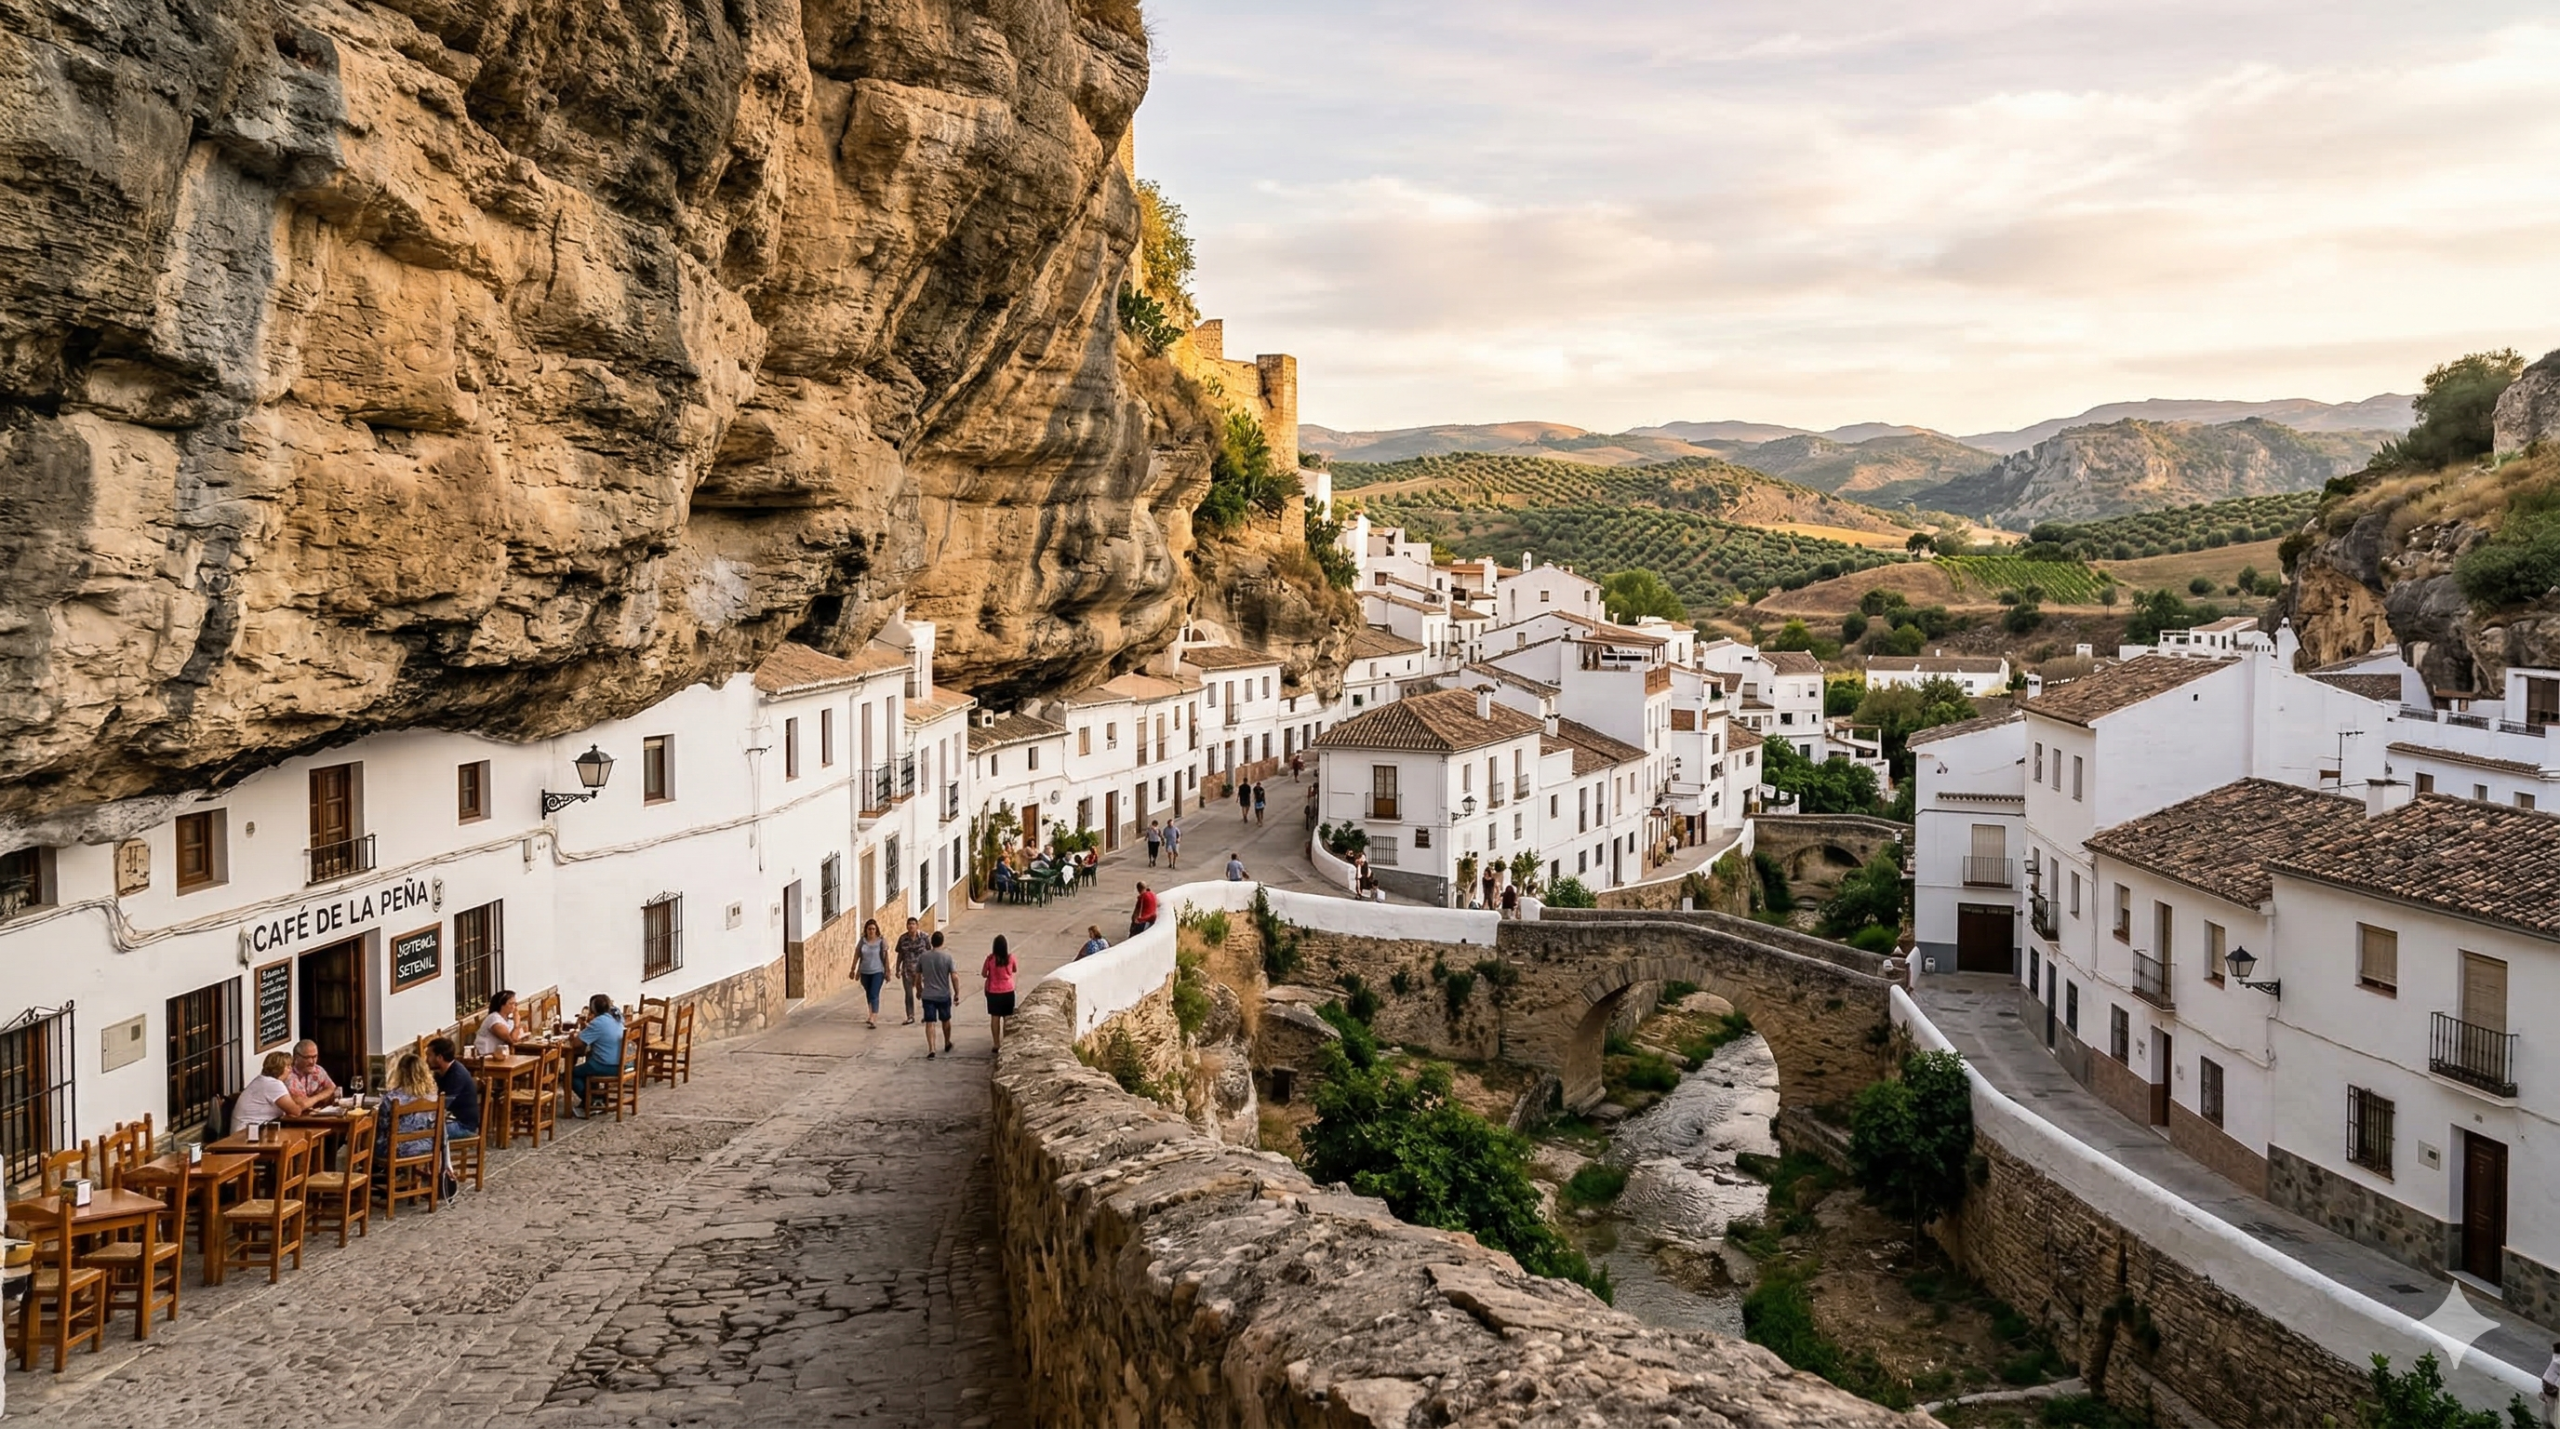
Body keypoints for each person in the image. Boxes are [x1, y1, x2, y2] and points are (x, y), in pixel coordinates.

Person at [373, 1051, 449, 1193]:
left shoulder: (392, 1098)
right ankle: (409, 1181)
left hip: (397, 1149)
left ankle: (363, 1184)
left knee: (367, 1142)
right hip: (426, 1145)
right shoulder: (433, 1095)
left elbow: (383, 1126)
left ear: (401, 1073)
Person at [567, 994, 624, 1115]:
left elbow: (577, 1043)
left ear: (593, 1010)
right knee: (587, 1065)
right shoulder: (617, 1016)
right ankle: (597, 1096)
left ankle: (592, 1100)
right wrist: (587, 1029)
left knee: (570, 1074)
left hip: (606, 1065)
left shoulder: (598, 1022)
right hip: (622, 1062)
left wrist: (574, 1036)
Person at [425, 1036, 479, 1138]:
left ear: (439, 1058)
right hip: (450, 1119)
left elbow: (441, 1106)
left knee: (423, 1133)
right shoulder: (442, 1072)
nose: (426, 1060)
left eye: (429, 1055)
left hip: (463, 1125)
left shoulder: (456, 1075)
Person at [234, 1050, 303, 1129]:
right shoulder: (273, 1084)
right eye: (288, 1066)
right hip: (246, 1132)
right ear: (279, 1068)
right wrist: (315, 1097)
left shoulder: (263, 1080)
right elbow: (296, 1111)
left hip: (254, 1129)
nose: (290, 1070)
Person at [917, 932, 958, 1059]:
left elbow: (917, 976)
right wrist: (957, 993)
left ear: (931, 942)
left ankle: (932, 1048)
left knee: (930, 1022)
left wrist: (919, 990)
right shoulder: (947, 957)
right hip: (943, 994)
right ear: (942, 942)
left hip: (928, 995)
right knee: (945, 1020)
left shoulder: (923, 957)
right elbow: (954, 976)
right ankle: (947, 1042)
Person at [982, 936, 1018, 1049]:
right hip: (1008, 990)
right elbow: (1014, 969)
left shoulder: (990, 959)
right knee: (1007, 1017)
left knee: (995, 1017)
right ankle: (1007, 1042)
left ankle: (996, 1043)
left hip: (993, 991)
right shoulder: (1010, 958)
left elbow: (983, 974)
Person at [895, 917, 930, 1025]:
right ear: (906, 926)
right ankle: (910, 1016)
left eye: (913, 924)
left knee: (924, 993)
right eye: (909, 924)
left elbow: (930, 951)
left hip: (922, 971)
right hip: (907, 970)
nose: (911, 926)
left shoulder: (924, 937)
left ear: (917, 926)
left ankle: (927, 1014)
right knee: (909, 994)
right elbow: (900, 955)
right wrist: (897, 969)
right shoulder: (902, 938)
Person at [855, 918, 890, 1029]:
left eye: (873, 929)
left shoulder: (881, 941)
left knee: (874, 993)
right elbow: (857, 954)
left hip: (877, 971)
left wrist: (887, 971)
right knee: (869, 993)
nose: (871, 931)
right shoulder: (862, 941)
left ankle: (873, 1018)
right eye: (869, 929)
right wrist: (854, 969)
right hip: (865, 971)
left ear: (876, 930)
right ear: (866, 930)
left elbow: (886, 957)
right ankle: (870, 1013)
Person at [285, 1038, 340, 1106]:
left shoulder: (318, 1069)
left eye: (315, 1056)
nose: (312, 1062)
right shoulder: (288, 1075)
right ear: (296, 1057)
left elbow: (331, 1088)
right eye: (307, 1058)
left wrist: (316, 1098)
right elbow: (302, 1103)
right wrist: (321, 1096)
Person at [474, 990, 521, 1057]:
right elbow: (512, 1041)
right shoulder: (494, 1019)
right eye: (511, 1004)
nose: (514, 1007)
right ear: (501, 1005)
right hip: (486, 1056)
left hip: (500, 1055)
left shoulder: (509, 1021)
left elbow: (516, 1038)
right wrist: (517, 1024)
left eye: (515, 1004)